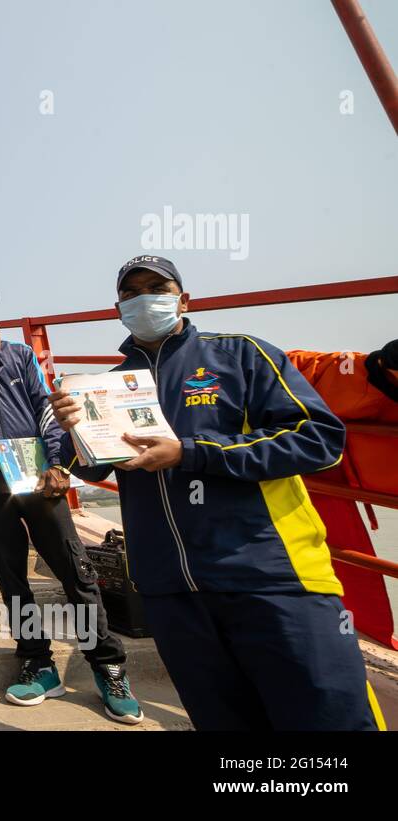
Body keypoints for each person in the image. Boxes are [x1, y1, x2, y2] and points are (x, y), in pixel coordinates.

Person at [49, 256, 383, 731]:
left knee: (329, 715)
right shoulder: (108, 385)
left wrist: (191, 453)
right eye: (131, 292)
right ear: (117, 307)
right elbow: (90, 463)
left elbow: (318, 439)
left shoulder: (241, 355)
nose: (144, 299)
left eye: (156, 287)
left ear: (183, 299)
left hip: (271, 576)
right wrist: (76, 430)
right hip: (170, 589)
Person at [0, 282, 141, 724]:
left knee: (74, 569)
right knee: (10, 576)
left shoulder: (22, 355)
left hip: (37, 474)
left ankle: (107, 666)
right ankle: (38, 662)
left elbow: (45, 408)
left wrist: (59, 462)